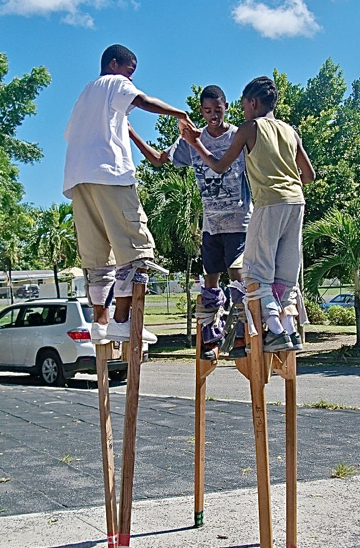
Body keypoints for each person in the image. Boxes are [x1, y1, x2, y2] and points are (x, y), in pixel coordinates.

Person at [63, 44, 193, 345]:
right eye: (129, 72)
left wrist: (142, 145)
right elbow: (142, 100)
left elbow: (120, 128)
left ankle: (100, 324)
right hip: (110, 174)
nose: (131, 80)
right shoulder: (112, 82)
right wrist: (179, 113)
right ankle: (123, 321)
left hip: (79, 179)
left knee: (97, 258)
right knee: (136, 249)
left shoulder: (85, 96)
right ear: (114, 64)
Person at [181, 76, 315, 352]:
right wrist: (286, 182)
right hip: (296, 203)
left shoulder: (249, 128)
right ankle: (291, 331)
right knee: (285, 276)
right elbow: (309, 175)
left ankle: (275, 332)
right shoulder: (290, 130)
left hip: (269, 204)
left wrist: (196, 144)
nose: (242, 112)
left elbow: (219, 166)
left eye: (243, 106)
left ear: (252, 103)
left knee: (254, 272)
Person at [128, 85, 253, 359]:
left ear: (227, 107)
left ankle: (244, 338)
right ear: (201, 111)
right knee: (210, 284)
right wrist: (130, 132)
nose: (213, 116)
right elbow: (160, 160)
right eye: (207, 111)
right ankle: (211, 340)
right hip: (212, 224)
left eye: (218, 110)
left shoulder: (239, 136)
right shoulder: (190, 139)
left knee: (238, 282)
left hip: (239, 221)